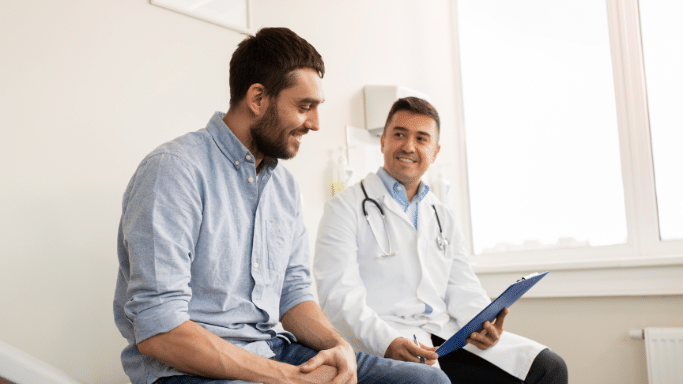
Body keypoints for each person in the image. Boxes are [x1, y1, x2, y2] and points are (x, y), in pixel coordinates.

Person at [113, 28, 450, 384]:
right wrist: (285, 378)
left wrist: (338, 346)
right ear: (258, 98)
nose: (316, 124)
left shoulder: (284, 188)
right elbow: (159, 329)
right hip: (187, 369)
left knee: (427, 381)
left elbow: (294, 295)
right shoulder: (174, 170)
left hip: (273, 350)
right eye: (305, 107)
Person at [313, 97, 568, 383]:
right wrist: (388, 342)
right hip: (384, 337)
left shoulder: (442, 214)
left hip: (444, 335)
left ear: (434, 152)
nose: (409, 146)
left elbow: (462, 286)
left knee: (549, 368)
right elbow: (338, 298)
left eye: (421, 138)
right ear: (383, 141)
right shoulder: (344, 208)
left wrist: (483, 324)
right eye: (399, 134)